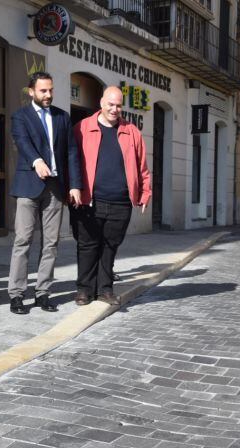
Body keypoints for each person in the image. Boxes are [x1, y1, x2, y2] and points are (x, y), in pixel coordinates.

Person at [7, 72, 82, 315]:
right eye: (43, 91)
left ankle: (42, 293)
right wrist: (36, 160)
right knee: (23, 240)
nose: (48, 94)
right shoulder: (20, 116)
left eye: (50, 90)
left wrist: (74, 184)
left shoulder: (62, 117)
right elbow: (22, 142)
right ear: (31, 91)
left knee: (51, 243)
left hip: (55, 188)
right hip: (28, 186)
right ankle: (17, 294)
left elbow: (71, 152)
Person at [72, 86, 151, 306]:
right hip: (89, 200)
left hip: (120, 202)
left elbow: (142, 166)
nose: (114, 109)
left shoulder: (132, 132)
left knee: (110, 247)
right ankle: (84, 290)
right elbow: (72, 160)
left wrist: (145, 193)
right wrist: (72, 188)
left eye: (118, 105)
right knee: (87, 246)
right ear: (101, 103)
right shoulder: (82, 128)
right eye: (111, 104)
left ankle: (105, 289)